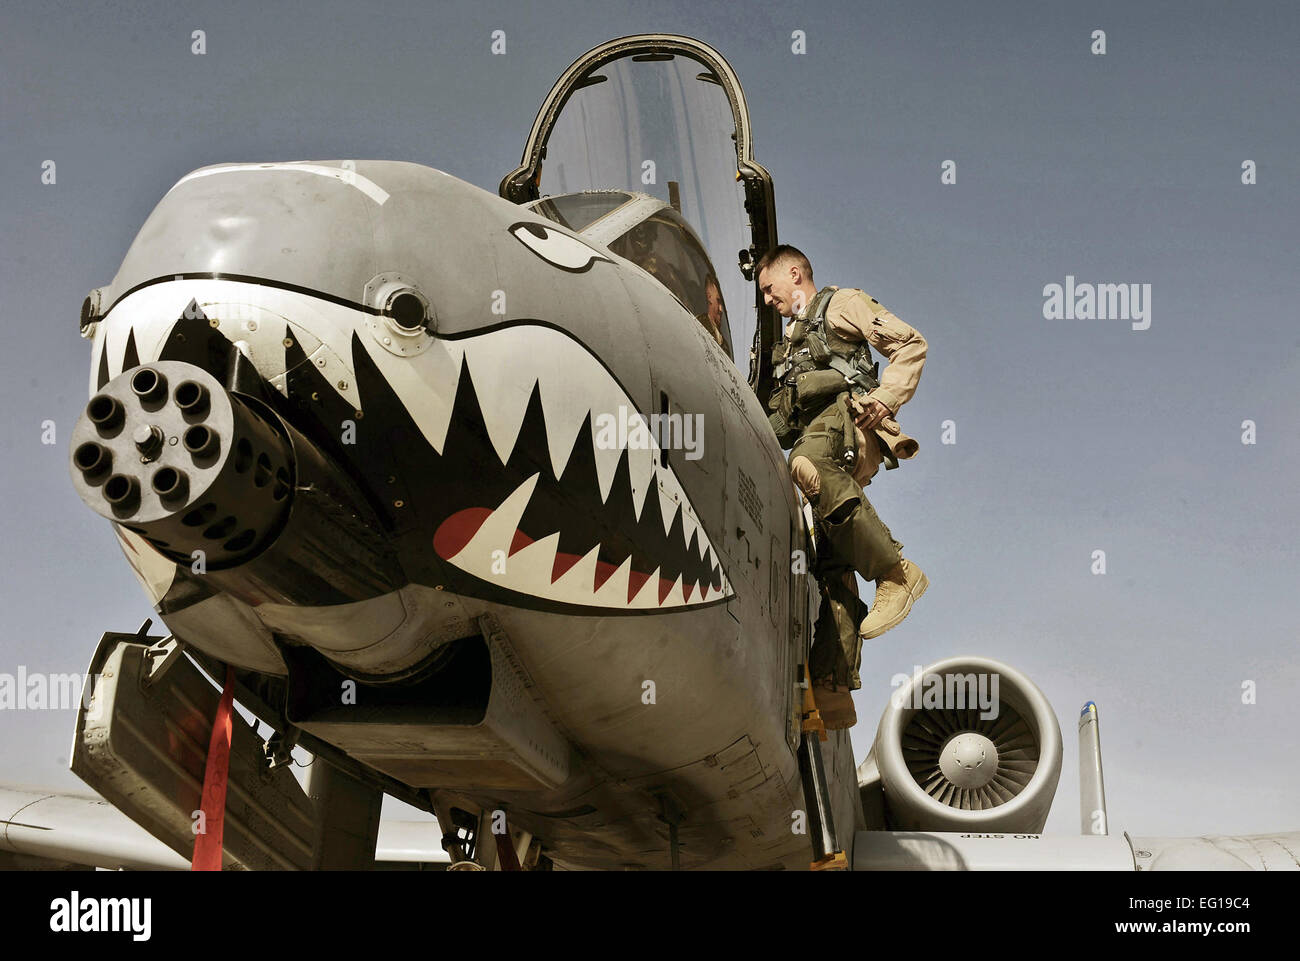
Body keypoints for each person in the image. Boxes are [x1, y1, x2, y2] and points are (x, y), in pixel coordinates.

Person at [757, 244, 929, 729]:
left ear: (795, 273)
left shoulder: (841, 304)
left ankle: (896, 573)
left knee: (806, 465)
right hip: (823, 439)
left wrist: (886, 397)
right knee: (830, 560)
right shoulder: (788, 349)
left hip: (849, 426)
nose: (768, 299)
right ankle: (832, 689)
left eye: (770, 289)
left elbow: (911, 343)